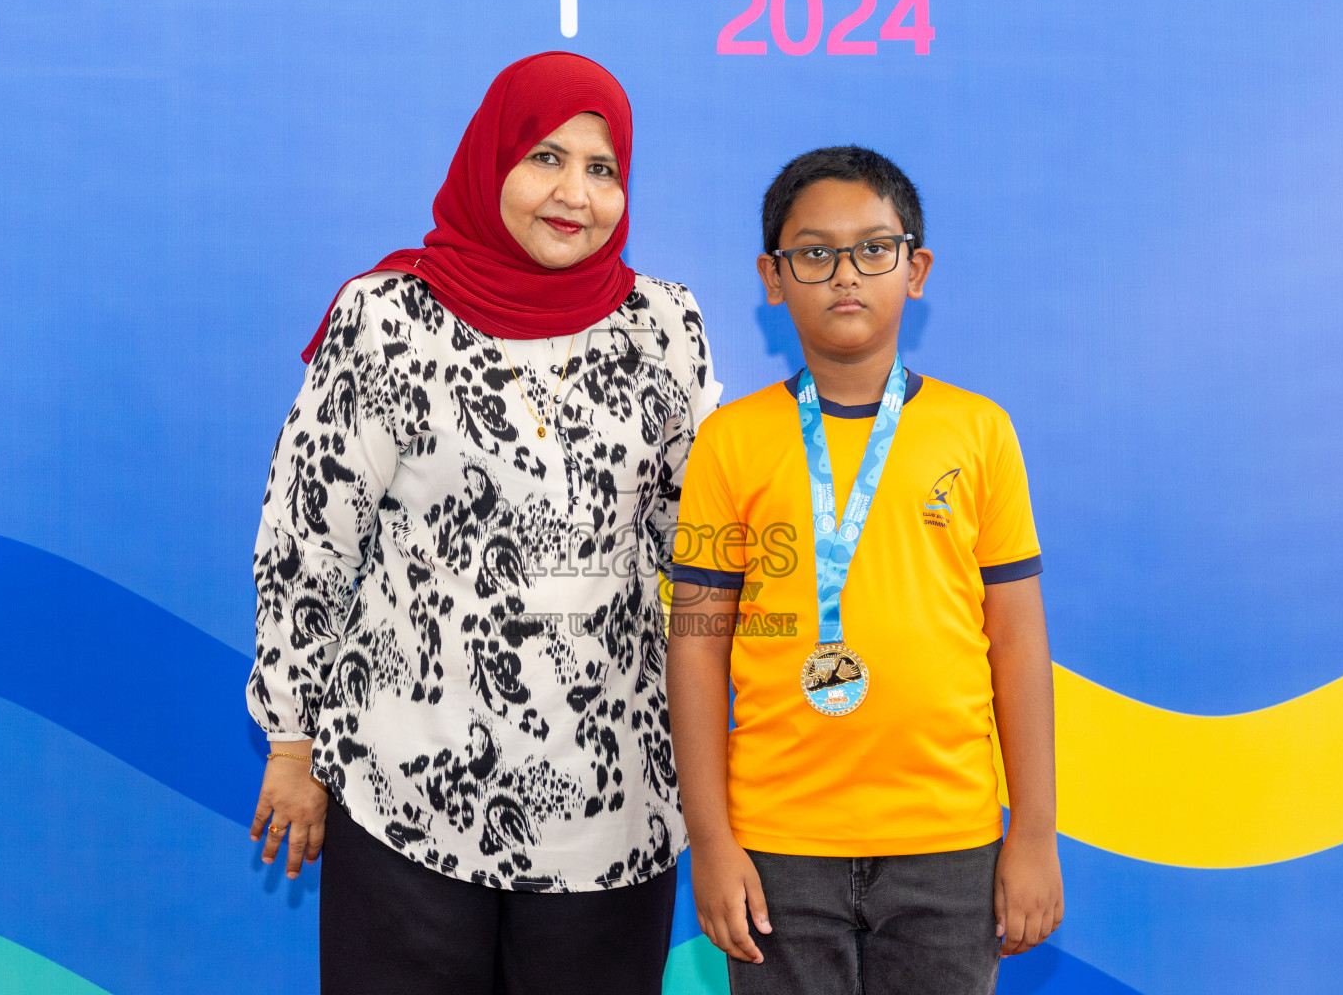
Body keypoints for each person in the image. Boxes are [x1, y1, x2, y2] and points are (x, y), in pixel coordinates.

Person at [245, 52, 721, 995]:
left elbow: (702, 551)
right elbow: (309, 542)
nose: (575, 194)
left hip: (613, 797)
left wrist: (735, 730)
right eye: (546, 157)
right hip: (405, 786)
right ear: (489, 159)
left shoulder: (665, 327)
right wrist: (292, 743)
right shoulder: (388, 318)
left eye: (603, 169)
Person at [667, 146, 1062, 995]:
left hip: (947, 841)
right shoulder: (730, 443)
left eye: (873, 249)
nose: (845, 274)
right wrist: (711, 838)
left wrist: (1032, 832)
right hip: (778, 844)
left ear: (914, 269)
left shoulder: (978, 432)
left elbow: (1020, 644)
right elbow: (697, 645)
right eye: (814, 253)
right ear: (774, 278)